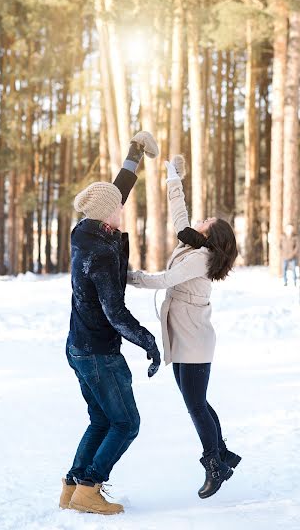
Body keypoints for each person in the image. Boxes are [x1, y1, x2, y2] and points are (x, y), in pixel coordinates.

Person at [60, 131, 161, 515]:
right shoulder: (99, 253)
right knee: (126, 423)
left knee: (101, 419)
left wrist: (133, 156)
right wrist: (148, 341)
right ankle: (89, 489)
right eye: (117, 208)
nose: (122, 209)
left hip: (79, 347)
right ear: (108, 216)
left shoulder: (86, 230)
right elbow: (114, 312)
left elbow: (114, 193)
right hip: (99, 353)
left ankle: (71, 488)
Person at [128, 156, 240, 499]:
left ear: (212, 235)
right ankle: (222, 453)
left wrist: (128, 277)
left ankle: (215, 465)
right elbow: (180, 215)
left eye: (207, 221)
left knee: (195, 404)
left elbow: (165, 280)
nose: (201, 220)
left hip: (194, 338)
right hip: (185, 334)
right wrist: (172, 177)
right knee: (197, 401)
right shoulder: (193, 244)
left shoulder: (200, 258)